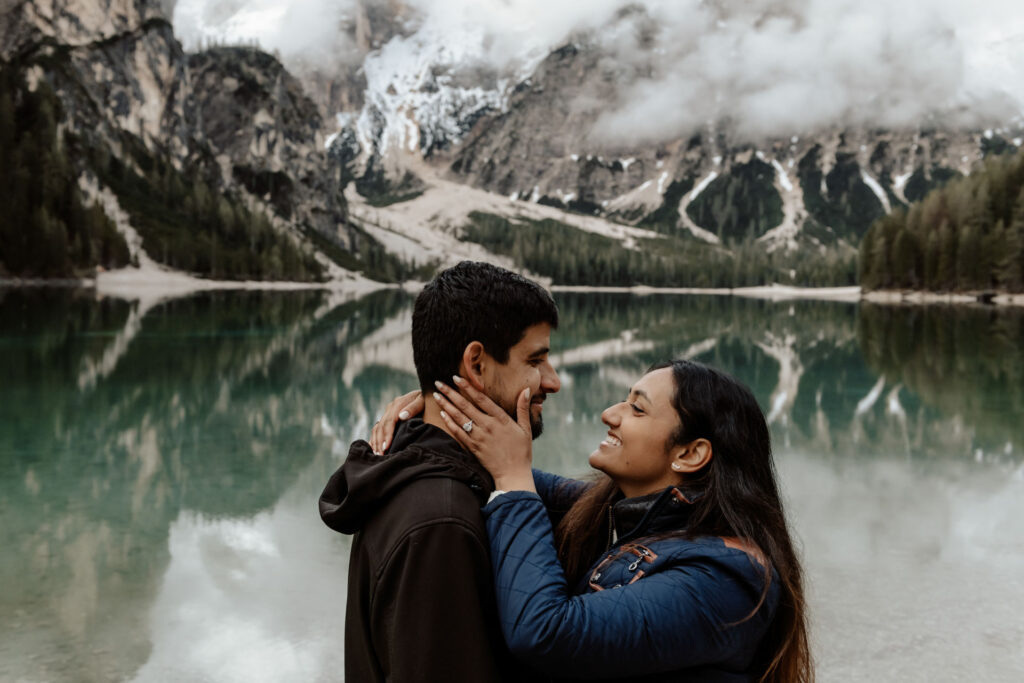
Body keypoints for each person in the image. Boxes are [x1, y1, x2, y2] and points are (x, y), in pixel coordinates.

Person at [377, 359, 812, 682]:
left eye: (636, 409)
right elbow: (497, 468)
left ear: (690, 454)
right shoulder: (631, 514)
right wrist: (436, 417)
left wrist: (512, 479)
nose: (610, 413)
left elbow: (546, 633)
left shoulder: (725, 580)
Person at [318, 261, 561, 682]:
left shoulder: (411, 469)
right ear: (477, 364)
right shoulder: (442, 523)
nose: (552, 381)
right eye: (535, 359)